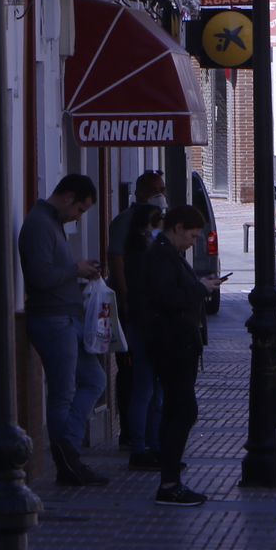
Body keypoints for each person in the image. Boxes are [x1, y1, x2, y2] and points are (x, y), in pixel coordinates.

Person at [18, 174, 109, 487]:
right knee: (62, 393)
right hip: (53, 320)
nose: (78, 217)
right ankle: (66, 460)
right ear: (68, 197)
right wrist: (76, 269)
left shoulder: (52, 224)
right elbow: (41, 277)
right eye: (80, 210)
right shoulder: (39, 225)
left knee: (95, 379)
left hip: (67, 318)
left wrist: (81, 273)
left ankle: (67, 448)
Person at [139, 204, 223, 507]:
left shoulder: (168, 254)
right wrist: (200, 289)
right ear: (176, 228)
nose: (195, 240)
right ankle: (170, 482)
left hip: (177, 343)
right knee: (184, 410)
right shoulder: (162, 256)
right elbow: (168, 298)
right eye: (192, 234)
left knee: (177, 409)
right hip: (172, 344)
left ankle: (170, 477)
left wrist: (201, 286)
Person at [108, 170, 168, 449]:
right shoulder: (126, 222)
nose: (161, 194)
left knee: (151, 384)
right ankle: (134, 437)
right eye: (155, 189)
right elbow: (117, 260)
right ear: (141, 192)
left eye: (163, 189)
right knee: (134, 376)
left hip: (153, 311)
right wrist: (125, 296)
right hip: (134, 311)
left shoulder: (160, 224)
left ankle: (148, 439)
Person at [120, 202, 165, 471]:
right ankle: (140, 447)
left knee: (154, 392)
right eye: (153, 226)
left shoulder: (146, 254)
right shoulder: (140, 257)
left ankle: (153, 445)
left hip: (150, 327)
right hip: (144, 328)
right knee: (145, 390)